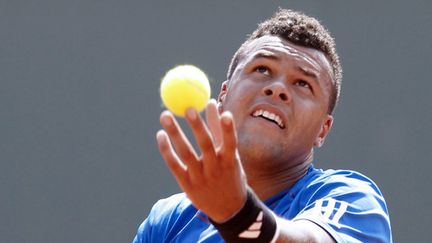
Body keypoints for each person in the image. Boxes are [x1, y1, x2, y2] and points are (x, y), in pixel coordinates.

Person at [133, 9, 392, 243]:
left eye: (303, 83)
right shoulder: (168, 221)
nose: (278, 88)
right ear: (223, 96)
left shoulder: (350, 197)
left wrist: (238, 216)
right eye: (262, 69)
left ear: (323, 130)